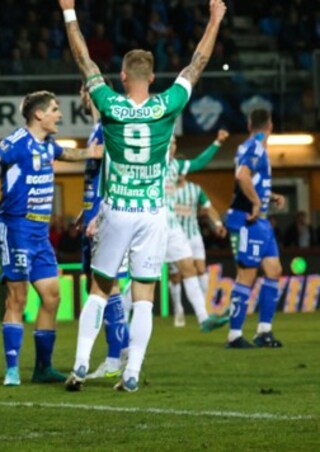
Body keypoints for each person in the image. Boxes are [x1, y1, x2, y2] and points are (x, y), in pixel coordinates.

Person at [59, 0, 226, 392]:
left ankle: (81, 364)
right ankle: (132, 373)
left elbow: (83, 60)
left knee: (99, 290)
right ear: (152, 78)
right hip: (153, 213)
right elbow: (197, 63)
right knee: (145, 297)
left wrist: (69, 12)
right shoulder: (167, 104)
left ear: (121, 76)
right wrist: (216, 18)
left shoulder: (109, 103)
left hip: (117, 209)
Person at [0, 90, 101, 386]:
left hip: (40, 233)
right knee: (18, 297)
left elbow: (68, 154)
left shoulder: (48, 146)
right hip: (15, 228)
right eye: (55, 109)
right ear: (39, 115)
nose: (60, 115)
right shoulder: (17, 142)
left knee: (52, 295)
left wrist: (93, 153)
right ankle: (12, 369)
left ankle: (42, 368)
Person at [76, 82, 130, 381]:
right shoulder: (98, 127)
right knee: (97, 287)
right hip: (92, 213)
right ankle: (118, 352)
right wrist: (85, 209)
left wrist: (98, 210)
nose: (81, 97)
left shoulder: (108, 126)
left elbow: (113, 168)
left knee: (107, 286)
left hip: (102, 216)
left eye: (83, 90)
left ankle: (116, 355)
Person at [224, 109, 286, 349]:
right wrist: (257, 202)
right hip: (249, 219)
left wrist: (270, 196)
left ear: (250, 124)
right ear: (270, 125)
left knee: (274, 269)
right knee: (247, 275)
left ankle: (264, 332)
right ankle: (235, 335)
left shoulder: (249, 146)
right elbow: (242, 176)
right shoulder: (256, 147)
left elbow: (252, 181)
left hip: (261, 221)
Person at [163, 131, 229, 332]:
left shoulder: (176, 166)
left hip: (174, 229)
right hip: (152, 227)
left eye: (175, 143)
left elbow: (199, 162)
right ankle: (120, 314)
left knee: (190, 269)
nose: (173, 146)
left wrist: (217, 142)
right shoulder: (151, 162)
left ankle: (204, 318)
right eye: (170, 142)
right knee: (141, 280)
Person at [171, 175, 227, 326]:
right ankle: (178, 309)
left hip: (193, 235)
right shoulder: (167, 188)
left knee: (200, 270)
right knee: (175, 277)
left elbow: (209, 208)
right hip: (173, 237)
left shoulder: (195, 189)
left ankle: (206, 310)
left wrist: (217, 223)